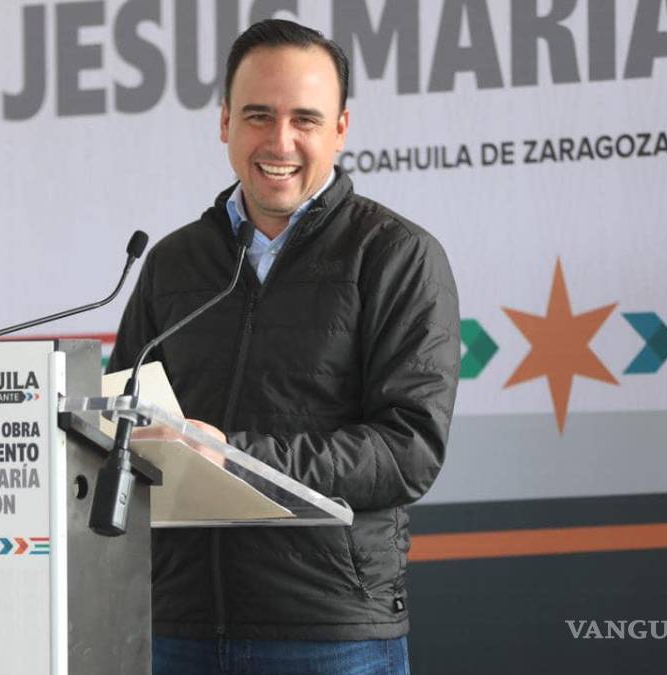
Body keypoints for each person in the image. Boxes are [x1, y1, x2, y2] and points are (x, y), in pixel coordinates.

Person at [107, 18, 460, 675]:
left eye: (305, 119)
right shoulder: (173, 262)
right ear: (225, 122)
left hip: (329, 632)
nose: (280, 141)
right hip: (176, 625)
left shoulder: (396, 256)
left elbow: (407, 450)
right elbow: (124, 422)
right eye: (258, 115)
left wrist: (233, 458)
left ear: (341, 129)